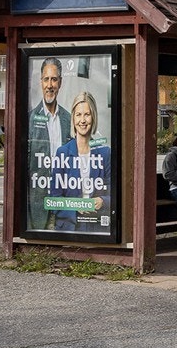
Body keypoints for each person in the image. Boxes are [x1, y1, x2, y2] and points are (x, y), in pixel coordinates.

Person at [50, 90, 113, 232]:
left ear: (94, 117)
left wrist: (103, 201)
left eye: (87, 114)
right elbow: (54, 199)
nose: (82, 120)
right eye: (78, 115)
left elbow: (114, 193)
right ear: (73, 118)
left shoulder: (105, 153)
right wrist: (75, 206)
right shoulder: (63, 153)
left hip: (97, 228)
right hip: (69, 228)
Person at [27, 57, 69, 230]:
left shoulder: (68, 118)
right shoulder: (29, 118)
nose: (50, 85)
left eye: (54, 79)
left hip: (64, 196)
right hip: (38, 200)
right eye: (46, 79)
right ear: (41, 82)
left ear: (60, 82)